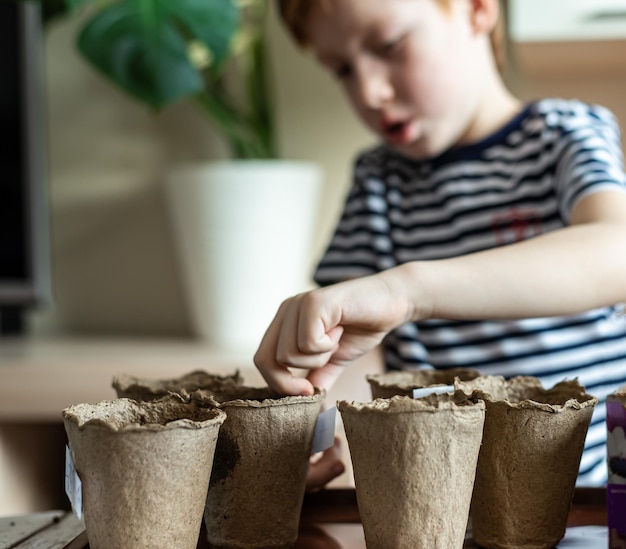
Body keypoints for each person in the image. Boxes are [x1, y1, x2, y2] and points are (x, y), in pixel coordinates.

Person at [254, 0, 626, 489]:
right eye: (342, 69)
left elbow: (615, 249)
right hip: (440, 505)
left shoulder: (564, 134)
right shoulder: (377, 182)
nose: (369, 91)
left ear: (477, 10)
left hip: (591, 503)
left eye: (389, 46)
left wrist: (409, 291)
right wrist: (304, 425)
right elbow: (354, 351)